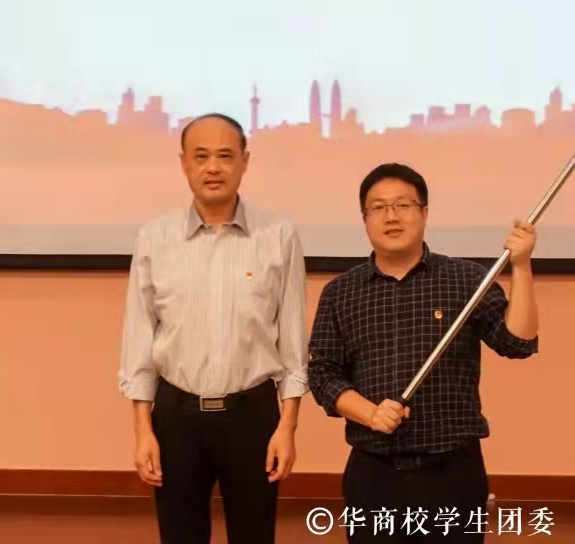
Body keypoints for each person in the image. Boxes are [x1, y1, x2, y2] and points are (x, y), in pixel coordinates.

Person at [308, 162, 539, 543]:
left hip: (453, 471)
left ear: (425, 212)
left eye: (403, 204)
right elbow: (323, 375)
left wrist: (522, 266)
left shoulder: (465, 279)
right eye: (378, 207)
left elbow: (518, 342)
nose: (391, 216)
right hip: (374, 471)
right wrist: (370, 413)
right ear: (364, 218)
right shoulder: (340, 292)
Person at [117, 113, 309, 544]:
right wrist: (143, 432)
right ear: (184, 163)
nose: (213, 168)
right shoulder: (154, 238)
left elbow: (294, 346)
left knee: (255, 535)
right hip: (176, 417)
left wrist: (287, 428)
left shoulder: (279, 235)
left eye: (225, 156)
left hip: (253, 415)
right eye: (201, 156)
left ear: (245, 161)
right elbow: (139, 342)